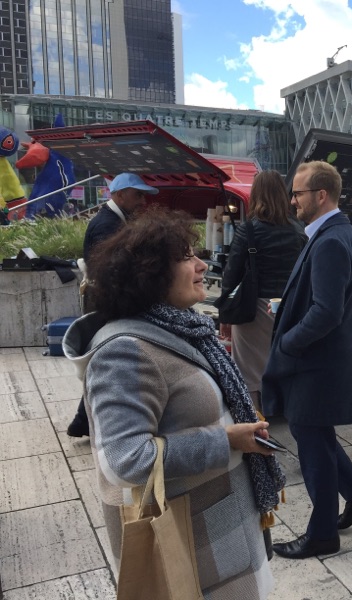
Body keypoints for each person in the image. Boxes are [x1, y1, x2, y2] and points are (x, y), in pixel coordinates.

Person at [63, 207, 284, 597]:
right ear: (149, 273)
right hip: (191, 543)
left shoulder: (180, 326)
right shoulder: (124, 351)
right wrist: (227, 439)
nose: (201, 265)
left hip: (225, 526)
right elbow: (125, 460)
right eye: (185, 257)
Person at [262, 161, 352, 559]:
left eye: (297, 194)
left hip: (314, 366)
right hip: (322, 364)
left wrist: (288, 343)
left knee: (312, 446)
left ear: (320, 195)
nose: (292, 200)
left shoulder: (330, 240)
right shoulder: (335, 233)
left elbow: (326, 312)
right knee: (317, 438)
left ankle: (322, 534)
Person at [66, 172, 157, 438]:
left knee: (104, 359)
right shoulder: (107, 225)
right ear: (119, 195)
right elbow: (110, 269)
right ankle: (83, 420)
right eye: (137, 194)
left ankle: (83, 421)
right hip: (107, 301)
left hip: (107, 299)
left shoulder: (116, 220)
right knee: (104, 358)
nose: (142, 200)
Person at [219, 170, 307, 409]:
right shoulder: (298, 229)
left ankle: (255, 422)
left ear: (256, 195)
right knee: (284, 361)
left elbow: (232, 275)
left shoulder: (248, 230)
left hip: (254, 309)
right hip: (288, 307)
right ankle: (288, 410)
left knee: (248, 371)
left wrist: (225, 315)